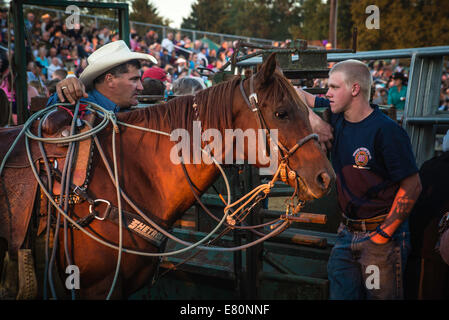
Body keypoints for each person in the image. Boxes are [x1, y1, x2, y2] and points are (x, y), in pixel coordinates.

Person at [297, 59, 422, 300]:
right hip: (347, 231)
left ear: (355, 89)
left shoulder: (386, 131)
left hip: (381, 234)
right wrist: (315, 120)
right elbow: (294, 93)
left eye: (334, 87)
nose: (327, 93)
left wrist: (384, 234)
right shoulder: (336, 114)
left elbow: (412, 185)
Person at [47, 40, 157, 112]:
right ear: (110, 80)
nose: (141, 87)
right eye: (134, 80)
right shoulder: (81, 105)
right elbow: (51, 108)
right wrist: (64, 89)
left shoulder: (126, 108)